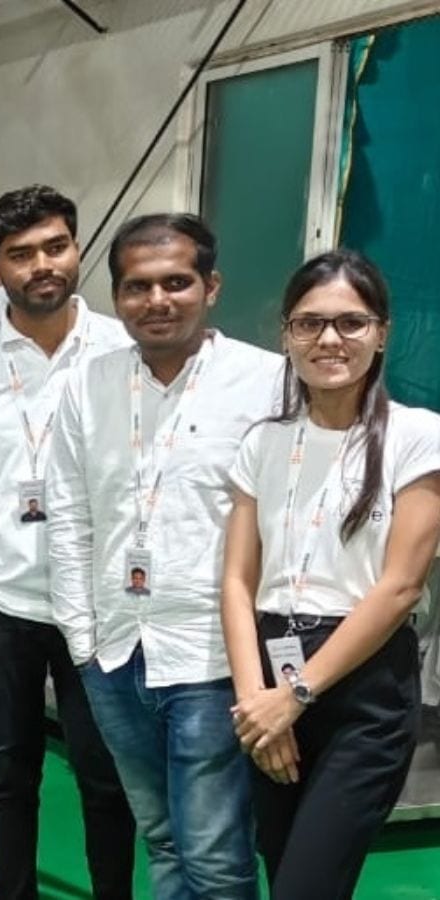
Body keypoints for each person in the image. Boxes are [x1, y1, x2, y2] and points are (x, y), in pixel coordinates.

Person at [47, 213, 282, 900]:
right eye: (137, 286)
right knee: (161, 836)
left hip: (213, 657)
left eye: (176, 283)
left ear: (212, 286)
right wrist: (83, 641)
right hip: (115, 652)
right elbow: (69, 514)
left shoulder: (266, 383)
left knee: (214, 853)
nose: (157, 301)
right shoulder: (88, 385)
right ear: (116, 296)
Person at [0, 185, 135, 900]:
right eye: (21, 254)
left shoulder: (122, 350)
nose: (42, 265)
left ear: (77, 250)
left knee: (106, 777)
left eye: (55, 247)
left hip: (100, 605)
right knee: (6, 776)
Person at [221, 250, 440, 898]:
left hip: (362, 684)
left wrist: (295, 696)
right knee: (282, 864)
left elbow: (400, 587)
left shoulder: (417, 437)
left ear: (381, 333)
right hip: (271, 672)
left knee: (307, 884)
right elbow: (237, 580)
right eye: (310, 323)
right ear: (287, 335)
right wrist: (257, 704)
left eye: (350, 322)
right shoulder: (263, 442)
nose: (329, 340)